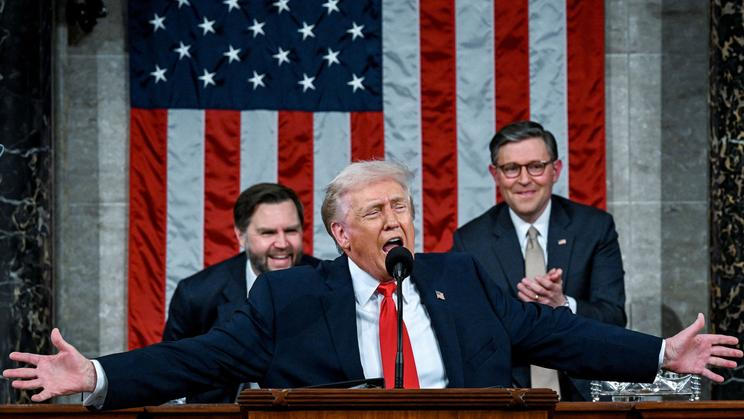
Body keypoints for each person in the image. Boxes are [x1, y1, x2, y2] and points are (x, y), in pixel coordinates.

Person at [3, 161, 741, 411]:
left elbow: (558, 334)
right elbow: (196, 359)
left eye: (403, 207)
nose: (396, 220)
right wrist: (98, 373)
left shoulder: (461, 277)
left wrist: (656, 354)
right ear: (340, 233)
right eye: (376, 210)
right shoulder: (290, 298)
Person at [452, 120, 625, 400]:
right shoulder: (470, 241)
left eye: (536, 166)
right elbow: (465, 331)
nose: (524, 179)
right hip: (506, 396)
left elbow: (614, 317)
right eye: (511, 169)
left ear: (555, 170)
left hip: (584, 395)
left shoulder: (594, 228)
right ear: (495, 174)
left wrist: (563, 305)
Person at [162, 182, 320, 403]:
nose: (282, 243)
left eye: (291, 230)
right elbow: (172, 372)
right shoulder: (196, 294)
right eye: (268, 232)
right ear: (241, 235)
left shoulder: (328, 284)